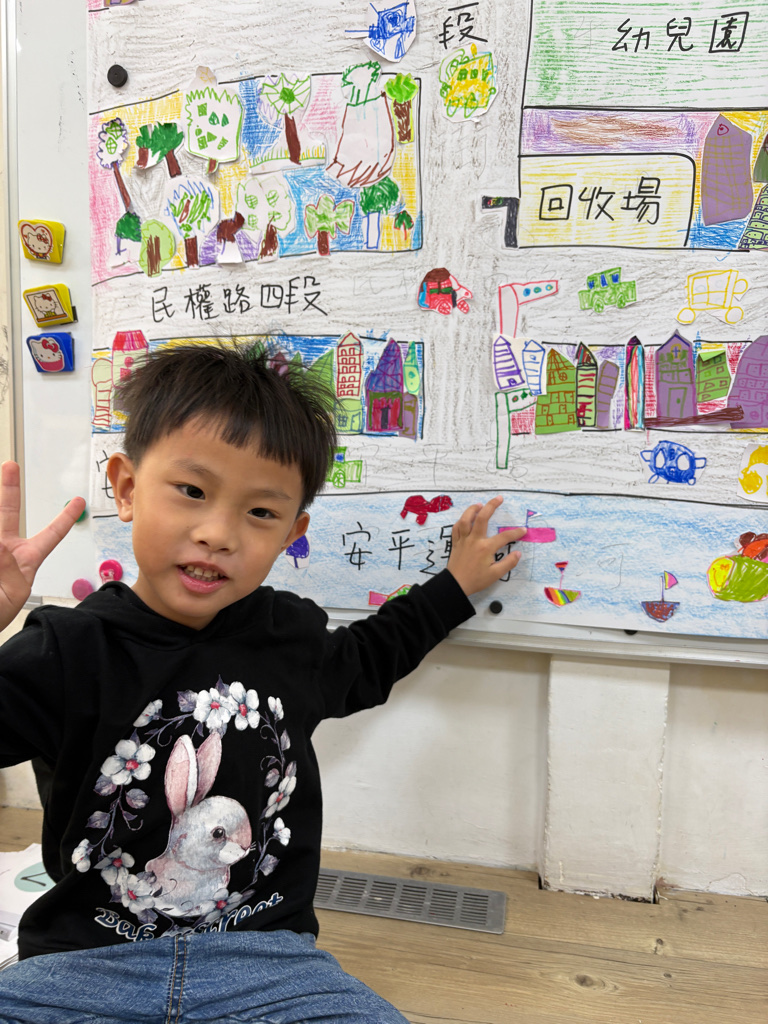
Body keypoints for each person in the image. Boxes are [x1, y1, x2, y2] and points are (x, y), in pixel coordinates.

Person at [0, 344, 525, 1024]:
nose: (218, 533)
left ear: (291, 533)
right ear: (126, 488)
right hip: (82, 968)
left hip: (268, 965)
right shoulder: (66, 650)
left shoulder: (290, 637)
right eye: (192, 491)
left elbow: (371, 655)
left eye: (261, 513)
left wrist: (454, 586)